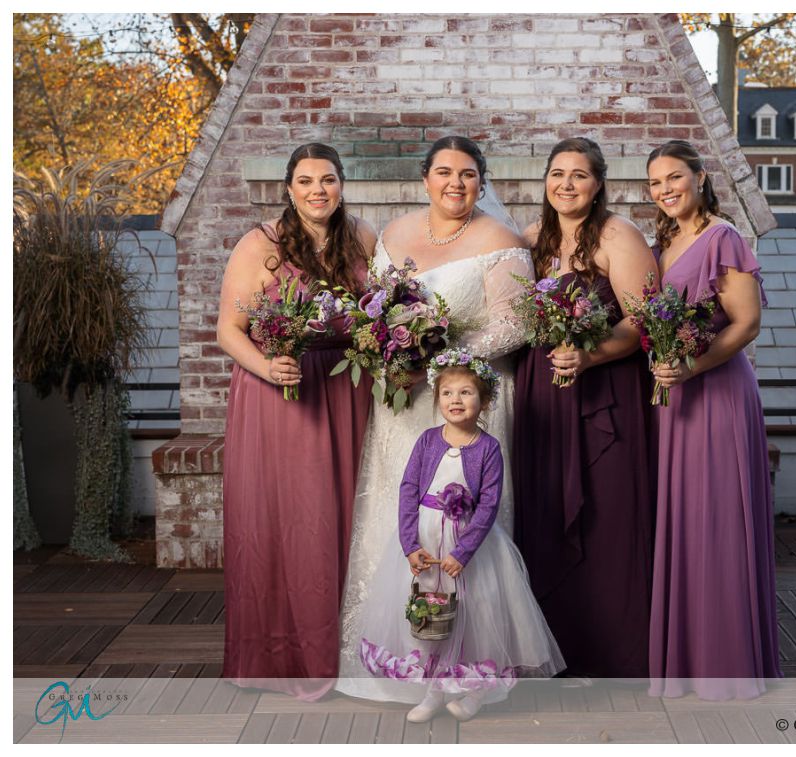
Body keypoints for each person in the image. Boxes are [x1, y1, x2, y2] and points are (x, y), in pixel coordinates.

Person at [337, 137, 534, 689]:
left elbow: (515, 325)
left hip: (465, 404)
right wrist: (391, 355)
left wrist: (442, 356)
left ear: (482, 182)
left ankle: (464, 666)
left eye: (468, 174)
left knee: (460, 522)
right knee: (397, 516)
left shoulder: (501, 240)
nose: (456, 183)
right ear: (425, 178)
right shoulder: (395, 234)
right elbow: (375, 313)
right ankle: (395, 662)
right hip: (402, 404)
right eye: (444, 172)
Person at [218, 143, 377, 700]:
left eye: (328, 180)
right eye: (306, 181)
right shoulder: (258, 245)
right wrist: (269, 365)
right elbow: (228, 330)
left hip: (344, 387)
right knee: (287, 519)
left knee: (345, 511)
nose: (318, 191)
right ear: (288, 188)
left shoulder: (362, 238)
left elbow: (379, 311)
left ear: (341, 185)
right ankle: (283, 655)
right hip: (278, 393)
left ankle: (345, 651)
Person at [349, 349, 564, 722]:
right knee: (431, 613)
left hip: (472, 546)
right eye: (448, 393)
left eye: (466, 393)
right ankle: (433, 691)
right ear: (437, 399)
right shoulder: (428, 442)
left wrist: (463, 552)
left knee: (475, 611)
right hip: (428, 541)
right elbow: (408, 492)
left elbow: (488, 505)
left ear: (484, 401)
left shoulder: (488, 449)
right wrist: (410, 544)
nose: (456, 400)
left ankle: (475, 690)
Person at [512, 138, 659, 678]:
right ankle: (554, 650)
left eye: (579, 175)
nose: (566, 184)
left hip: (605, 400)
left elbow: (645, 319)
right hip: (542, 396)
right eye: (557, 173)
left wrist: (589, 354)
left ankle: (614, 651)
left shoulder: (618, 235)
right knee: (547, 513)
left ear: (598, 185)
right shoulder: (530, 241)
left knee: (605, 516)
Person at [645, 140, 781, 699]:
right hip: (674, 397)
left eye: (675, 177)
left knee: (717, 520)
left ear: (700, 178)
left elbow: (746, 323)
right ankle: (685, 660)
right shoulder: (662, 241)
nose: (665, 189)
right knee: (683, 521)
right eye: (655, 183)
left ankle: (724, 660)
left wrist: (690, 364)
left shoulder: (722, 236)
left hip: (716, 394)